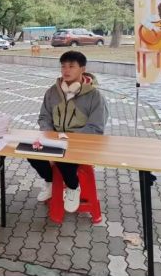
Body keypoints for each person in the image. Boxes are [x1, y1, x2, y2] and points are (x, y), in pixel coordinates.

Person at [30, 51, 109, 213]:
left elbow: (96, 127)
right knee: (31, 151)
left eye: (71, 66)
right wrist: (50, 135)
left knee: (64, 157)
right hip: (54, 139)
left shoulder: (95, 96)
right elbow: (44, 117)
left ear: (82, 69)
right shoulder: (52, 92)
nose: (66, 70)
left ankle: (73, 187)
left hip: (81, 142)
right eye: (63, 66)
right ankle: (50, 181)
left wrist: (69, 139)